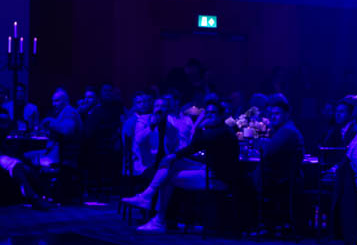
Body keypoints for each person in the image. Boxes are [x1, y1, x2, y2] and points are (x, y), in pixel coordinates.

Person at [128, 99, 238, 233]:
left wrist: (197, 128)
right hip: (211, 171)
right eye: (207, 113)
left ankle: (158, 217)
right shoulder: (219, 130)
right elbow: (195, 147)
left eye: (213, 113)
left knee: (167, 176)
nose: (209, 115)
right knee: (171, 164)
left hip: (216, 177)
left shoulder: (219, 132)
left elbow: (194, 146)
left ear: (221, 115)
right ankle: (151, 202)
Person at [254, 94, 303, 196]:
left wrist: (262, 143)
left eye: (277, 113)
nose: (273, 117)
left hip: (278, 183)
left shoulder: (287, 131)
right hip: (278, 179)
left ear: (287, 114)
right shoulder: (283, 129)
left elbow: (267, 152)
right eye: (271, 114)